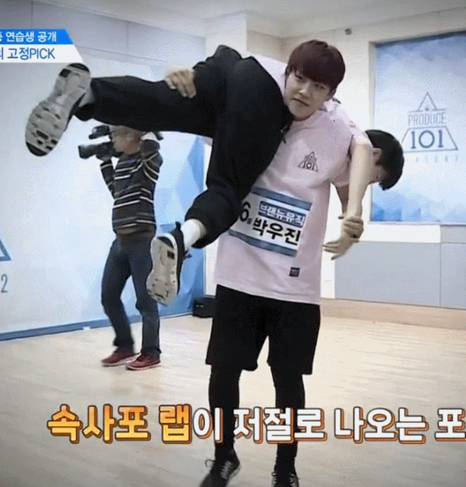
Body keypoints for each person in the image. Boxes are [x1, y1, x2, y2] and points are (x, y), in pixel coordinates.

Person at [24, 41, 374, 306]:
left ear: (328, 91)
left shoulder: (279, 67)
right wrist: (354, 210)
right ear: (292, 73)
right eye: (301, 80)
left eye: (317, 87)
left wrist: (191, 71)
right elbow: (361, 147)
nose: (306, 92)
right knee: (228, 188)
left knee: (159, 104)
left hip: (227, 64)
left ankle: (88, 94)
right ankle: (182, 239)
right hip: (255, 96)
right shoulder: (332, 112)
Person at [197, 117, 404, 487]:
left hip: (295, 291)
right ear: (373, 156)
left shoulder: (340, 147)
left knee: (288, 382)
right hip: (239, 278)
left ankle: (285, 467)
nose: (363, 184)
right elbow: (210, 127)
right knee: (223, 373)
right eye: (373, 178)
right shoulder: (270, 119)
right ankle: (224, 456)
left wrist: (352, 216)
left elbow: (348, 192)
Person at [99, 126, 163, 371]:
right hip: (120, 241)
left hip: (141, 241)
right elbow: (117, 192)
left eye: (115, 135)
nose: (112, 140)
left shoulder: (148, 162)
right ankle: (125, 346)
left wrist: (145, 132)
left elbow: (153, 155)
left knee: (146, 301)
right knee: (108, 296)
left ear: (129, 136)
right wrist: (105, 162)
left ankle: (151, 353)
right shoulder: (123, 162)